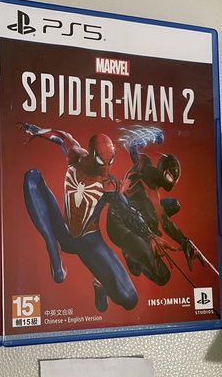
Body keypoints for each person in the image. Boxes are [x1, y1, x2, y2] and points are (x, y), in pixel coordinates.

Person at [18, 123, 165, 312]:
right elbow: (63, 136)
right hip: (64, 231)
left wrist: (149, 235)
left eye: (110, 162)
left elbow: (128, 213)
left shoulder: (109, 185)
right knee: (32, 177)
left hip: (89, 242)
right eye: (101, 161)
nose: (106, 168)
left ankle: (99, 284)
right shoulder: (76, 155)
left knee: (130, 300)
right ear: (91, 155)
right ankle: (52, 246)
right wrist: (37, 131)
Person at [107, 127, 203, 284]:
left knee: (173, 205)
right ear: (163, 171)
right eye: (169, 176)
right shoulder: (144, 167)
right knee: (162, 276)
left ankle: (142, 241)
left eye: (175, 177)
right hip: (119, 223)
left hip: (138, 216)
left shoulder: (152, 189)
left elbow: (164, 220)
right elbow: (133, 146)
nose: (171, 180)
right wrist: (152, 135)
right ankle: (130, 252)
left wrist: (184, 241)